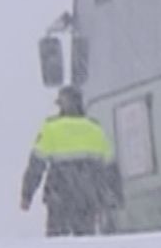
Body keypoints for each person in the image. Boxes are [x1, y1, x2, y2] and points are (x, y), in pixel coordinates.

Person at [20, 85, 117, 237]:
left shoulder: (51, 128)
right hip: (87, 196)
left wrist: (27, 195)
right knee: (85, 240)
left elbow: (36, 165)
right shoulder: (95, 128)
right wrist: (115, 196)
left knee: (58, 242)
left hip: (59, 195)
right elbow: (110, 167)